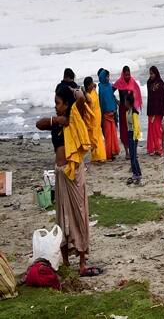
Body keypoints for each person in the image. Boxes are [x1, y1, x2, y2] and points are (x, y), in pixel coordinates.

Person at [35, 84, 101, 277]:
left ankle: (81, 262)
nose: (56, 106)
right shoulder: (59, 121)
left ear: (66, 103)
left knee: (79, 214)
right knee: (62, 216)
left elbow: (81, 97)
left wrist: (72, 90)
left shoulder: (75, 115)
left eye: (58, 103)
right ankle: (64, 260)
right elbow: (39, 124)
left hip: (74, 172)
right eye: (55, 103)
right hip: (60, 173)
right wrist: (58, 120)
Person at [113, 66, 143, 160]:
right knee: (125, 130)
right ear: (123, 74)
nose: (127, 76)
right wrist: (116, 101)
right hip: (122, 109)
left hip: (131, 109)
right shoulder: (119, 82)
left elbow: (137, 92)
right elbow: (110, 92)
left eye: (129, 74)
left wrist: (136, 103)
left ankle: (133, 151)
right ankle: (127, 152)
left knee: (134, 128)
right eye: (126, 74)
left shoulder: (132, 81)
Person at [81, 76, 106, 163]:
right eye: (91, 84)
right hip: (93, 117)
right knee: (94, 136)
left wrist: (89, 87)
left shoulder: (93, 90)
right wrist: (84, 91)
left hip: (97, 115)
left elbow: (95, 85)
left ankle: (99, 156)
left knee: (97, 135)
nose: (93, 84)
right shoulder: (88, 95)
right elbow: (87, 99)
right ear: (88, 86)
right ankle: (97, 156)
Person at [97, 69, 120, 161]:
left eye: (108, 76)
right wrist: (102, 116)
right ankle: (108, 154)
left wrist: (116, 106)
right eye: (106, 76)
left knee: (113, 134)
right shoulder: (101, 88)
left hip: (113, 114)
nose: (108, 78)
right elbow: (102, 103)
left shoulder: (109, 86)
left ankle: (113, 152)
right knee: (108, 136)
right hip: (106, 115)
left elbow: (112, 97)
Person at [146, 66, 164, 156]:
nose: (151, 75)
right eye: (150, 73)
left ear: (156, 73)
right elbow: (150, 98)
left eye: (152, 73)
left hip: (159, 110)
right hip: (151, 110)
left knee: (158, 130)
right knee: (152, 130)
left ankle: (159, 148)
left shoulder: (161, 83)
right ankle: (153, 148)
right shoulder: (149, 83)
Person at [125, 92, 143, 185]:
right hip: (129, 133)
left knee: (133, 156)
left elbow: (136, 126)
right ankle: (136, 173)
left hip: (133, 135)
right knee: (132, 156)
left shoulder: (134, 113)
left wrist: (135, 137)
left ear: (128, 102)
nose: (124, 102)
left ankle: (137, 173)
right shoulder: (127, 111)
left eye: (125, 101)